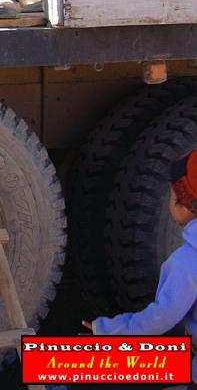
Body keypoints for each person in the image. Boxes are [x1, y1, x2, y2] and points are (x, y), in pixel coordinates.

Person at [84, 150, 197, 386]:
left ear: (180, 203)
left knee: (71, 365)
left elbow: (158, 319)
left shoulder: (186, 263)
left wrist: (105, 330)